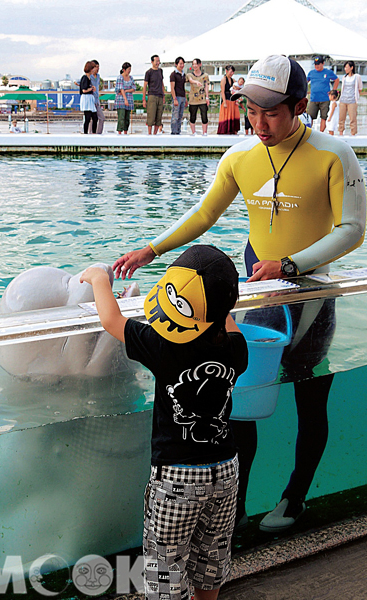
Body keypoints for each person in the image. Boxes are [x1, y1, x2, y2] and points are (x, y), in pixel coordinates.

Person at [113, 55, 366, 533]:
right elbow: (204, 214)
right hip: (261, 300)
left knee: (311, 401)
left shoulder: (335, 154)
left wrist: (292, 264)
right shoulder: (240, 157)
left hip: (312, 298)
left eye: (271, 112)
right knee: (241, 404)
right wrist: (150, 249)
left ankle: (295, 498)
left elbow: (353, 229)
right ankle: (236, 512)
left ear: (297, 106)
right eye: (252, 110)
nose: (260, 123)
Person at [81, 244, 248, 600]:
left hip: (177, 478)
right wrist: (219, 306)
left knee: (165, 564)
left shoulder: (162, 346)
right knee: (211, 555)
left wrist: (98, 279)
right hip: (227, 470)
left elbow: (111, 320)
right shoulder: (237, 348)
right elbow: (225, 319)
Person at [307, 55, 339, 132]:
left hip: (325, 99)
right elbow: (305, 82)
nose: (317, 66)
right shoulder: (311, 73)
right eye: (315, 64)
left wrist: (333, 91)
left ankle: (321, 133)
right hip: (314, 98)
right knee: (310, 117)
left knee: (324, 117)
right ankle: (309, 132)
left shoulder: (328, 72)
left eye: (318, 64)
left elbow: (336, 80)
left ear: (323, 63)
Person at [338, 60, 363, 136]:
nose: (345, 69)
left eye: (347, 67)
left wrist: (355, 97)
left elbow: (360, 88)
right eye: (345, 67)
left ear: (351, 68)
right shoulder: (344, 77)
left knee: (353, 118)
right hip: (343, 100)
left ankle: (353, 133)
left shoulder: (357, 77)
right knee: (341, 118)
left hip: (352, 100)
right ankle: (341, 132)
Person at [186, 59, 210, 136]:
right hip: (193, 99)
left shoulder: (205, 75)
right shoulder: (189, 75)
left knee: (204, 116)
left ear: (200, 64)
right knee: (193, 116)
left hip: (202, 98)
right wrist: (196, 82)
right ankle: (194, 132)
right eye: (193, 64)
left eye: (196, 64)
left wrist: (207, 97)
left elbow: (206, 86)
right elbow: (190, 80)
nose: (195, 66)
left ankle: (205, 132)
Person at [143, 55, 165, 135]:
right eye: (156, 61)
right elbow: (145, 85)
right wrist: (144, 99)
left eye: (159, 61)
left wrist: (164, 95)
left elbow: (162, 83)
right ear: (152, 62)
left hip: (160, 95)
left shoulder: (160, 71)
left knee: (159, 116)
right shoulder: (149, 72)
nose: (158, 63)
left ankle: (155, 134)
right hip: (152, 95)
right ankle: (149, 134)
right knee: (151, 116)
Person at [217, 65, 240, 135]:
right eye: (231, 71)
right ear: (226, 71)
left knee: (233, 115)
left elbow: (237, 89)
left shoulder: (233, 80)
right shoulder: (223, 79)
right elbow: (222, 91)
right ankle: (225, 130)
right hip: (226, 100)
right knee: (225, 115)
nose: (232, 73)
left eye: (233, 72)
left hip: (232, 100)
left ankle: (233, 130)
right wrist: (224, 102)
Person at [115, 62, 136, 135]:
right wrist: (125, 99)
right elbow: (120, 89)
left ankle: (125, 132)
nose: (129, 71)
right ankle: (119, 132)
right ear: (124, 69)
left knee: (127, 118)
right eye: (128, 69)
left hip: (129, 99)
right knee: (121, 117)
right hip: (121, 100)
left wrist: (126, 90)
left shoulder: (131, 78)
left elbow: (133, 88)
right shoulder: (120, 77)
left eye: (130, 69)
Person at [80, 61, 98, 134]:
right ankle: (85, 133)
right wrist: (91, 89)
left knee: (95, 117)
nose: (94, 70)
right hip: (86, 99)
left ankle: (93, 133)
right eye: (93, 68)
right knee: (87, 118)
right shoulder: (85, 78)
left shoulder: (89, 78)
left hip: (90, 99)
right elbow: (84, 90)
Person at [170, 56, 187, 135]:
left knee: (180, 116)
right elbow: (172, 88)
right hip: (177, 97)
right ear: (176, 64)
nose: (182, 65)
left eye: (183, 64)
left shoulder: (183, 74)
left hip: (183, 96)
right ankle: (174, 131)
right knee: (175, 115)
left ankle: (178, 131)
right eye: (180, 64)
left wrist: (186, 98)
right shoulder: (173, 74)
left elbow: (183, 87)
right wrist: (174, 98)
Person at [90, 60, 105, 135]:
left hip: (97, 101)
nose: (98, 69)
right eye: (96, 67)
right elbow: (79, 83)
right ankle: (90, 134)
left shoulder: (98, 76)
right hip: (91, 100)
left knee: (101, 118)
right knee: (91, 119)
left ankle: (98, 134)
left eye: (98, 67)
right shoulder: (89, 76)